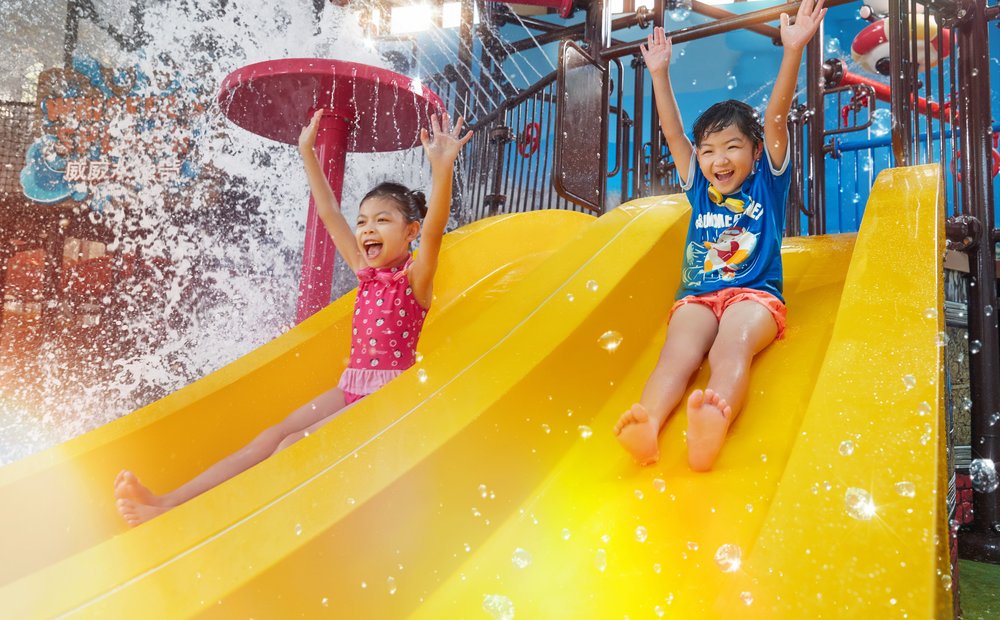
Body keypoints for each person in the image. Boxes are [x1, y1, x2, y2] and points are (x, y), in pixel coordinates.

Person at [114, 110, 472, 526]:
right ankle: (169, 502)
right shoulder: (364, 270)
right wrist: (307, 153)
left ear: (410, 232)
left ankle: (204, 522)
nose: (366, 229)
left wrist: (442, 168)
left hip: (389, 398)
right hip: (352, 386)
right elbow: (330, 212)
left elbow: (435, 230)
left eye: (382, 220)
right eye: (363, 222)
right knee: (271, 437)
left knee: (293, 447)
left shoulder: (414, 279)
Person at [614, 0, 826, 471]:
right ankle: (649, 424)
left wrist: (793, 50)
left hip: (754, 296)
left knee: (730, 347)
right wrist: (659, 73)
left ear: (755, 151)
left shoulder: (767, 181)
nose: (719, 159)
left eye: (732, 146)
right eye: (708, 150)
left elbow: (776, 119)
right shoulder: (700, 188)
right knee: (677, 355)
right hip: (698, 296)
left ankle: (713, 421)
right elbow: (673, 134)